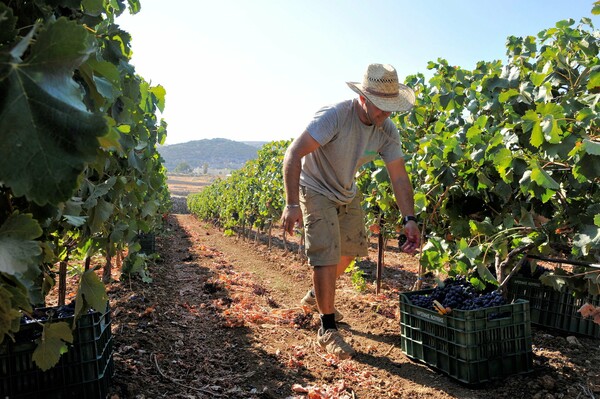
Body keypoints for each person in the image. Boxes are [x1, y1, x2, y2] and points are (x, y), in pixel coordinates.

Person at [281, 63, 421, 359]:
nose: (386, 113)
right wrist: (292, 203)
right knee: (325, 253)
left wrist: (410, 219)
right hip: (315, 187)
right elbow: (293, 153)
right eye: (381, 107)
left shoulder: (387, 129)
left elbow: (398, 176)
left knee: (352, 249)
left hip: (347, 191)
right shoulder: (335, 116)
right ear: (363, 99)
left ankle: (314, 297)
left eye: (390, 107)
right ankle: (327, 329)